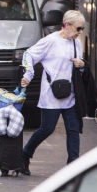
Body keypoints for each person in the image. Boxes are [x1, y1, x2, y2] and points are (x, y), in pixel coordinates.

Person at [20, 10, 86, 174]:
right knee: (47, 128)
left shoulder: (76, 43)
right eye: (78, 28)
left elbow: (80, 69)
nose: (80, 32)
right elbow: (28, 55)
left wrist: (82, 64)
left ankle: (73, 167)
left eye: (81, 29)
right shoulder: (50, 41)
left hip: (70, 93)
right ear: (67, 25)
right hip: (51, 94)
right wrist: (28, 74)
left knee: (73, 129)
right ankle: (25, 154)